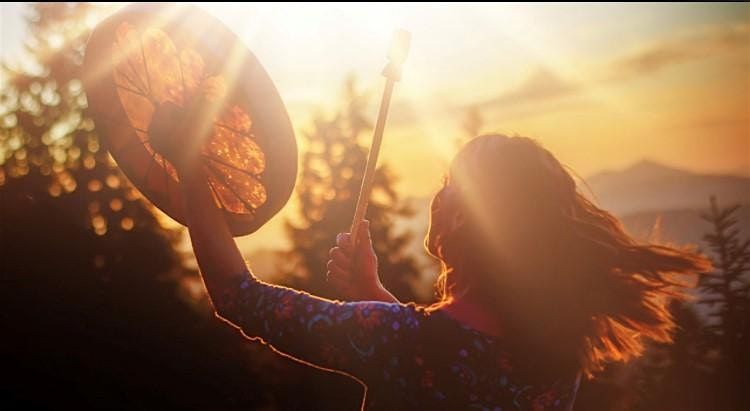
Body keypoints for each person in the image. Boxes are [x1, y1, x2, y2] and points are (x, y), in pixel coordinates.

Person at [151, 105, 710, 410]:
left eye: (447, 184)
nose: (436, 196)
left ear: (464, 218)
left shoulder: (395, 339)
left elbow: (236, 296)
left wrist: (192, 169)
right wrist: (375, 292)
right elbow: (441, 370)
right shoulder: (553, 353)